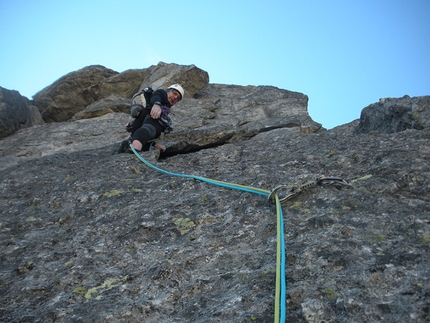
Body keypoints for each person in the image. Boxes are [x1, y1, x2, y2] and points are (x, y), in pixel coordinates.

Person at [119, 84, 185, 155]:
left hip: (139, 127)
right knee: (149, 128)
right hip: (147, 122)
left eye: (178, 98)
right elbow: (157, 95)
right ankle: (135, 149)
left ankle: (130, 144)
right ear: (168, 91)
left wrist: (154, 144)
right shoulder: (161, 94)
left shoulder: (162, 107)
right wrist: (156, 104)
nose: (175, 97)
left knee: (148, 131)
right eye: (174, 93)